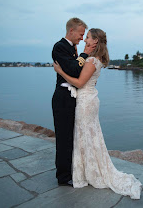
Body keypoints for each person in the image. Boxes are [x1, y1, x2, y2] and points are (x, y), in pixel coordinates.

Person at [53, 28, 142, 199]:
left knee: (85, 135)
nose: (85, 39)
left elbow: (79, 83)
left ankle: (89, 172)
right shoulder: (95, 59)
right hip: (89, 100)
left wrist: (61, 72)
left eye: (87, 37)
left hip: (85, 102)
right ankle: (87, 169)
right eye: (85, 37)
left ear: (95, 41)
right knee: (88, 135)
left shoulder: (92, 60)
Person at [52, 18, 96, 186]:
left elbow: (77, 71)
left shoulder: (72, 48)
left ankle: (71, 171)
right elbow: (73, 69)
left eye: (84, 35)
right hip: (63, 97)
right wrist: (84, 54)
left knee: (72, 137)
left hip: (72, 96)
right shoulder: (59, 47)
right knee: (64, 139)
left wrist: (80, 56)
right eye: (80, 33)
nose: (82, 37)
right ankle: (63, 178)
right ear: (71, 31)